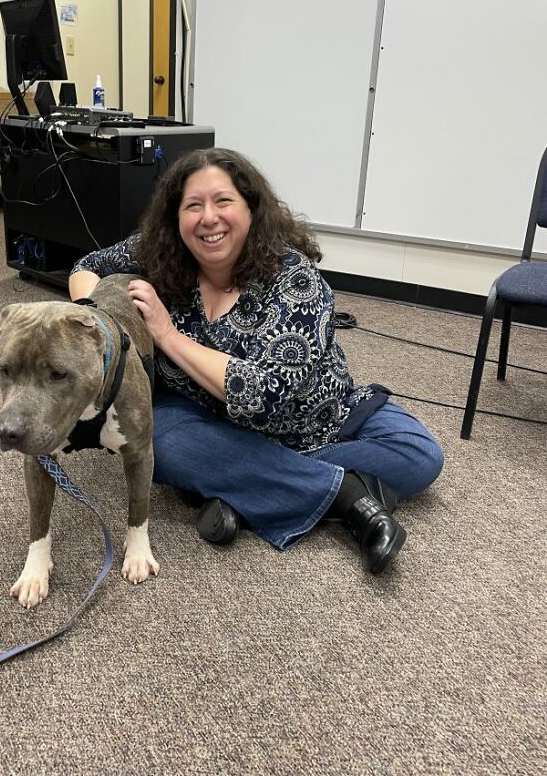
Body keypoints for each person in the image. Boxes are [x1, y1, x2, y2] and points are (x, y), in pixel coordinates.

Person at [68, 148, 443, 573]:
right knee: (160, 440)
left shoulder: (294, 278)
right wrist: (94, 317)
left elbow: (264, 397)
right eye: (193, 206)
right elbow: (86, 266)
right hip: (205, 419)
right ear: (175, 217)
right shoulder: (158, 252)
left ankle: (238, 492)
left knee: (420, 455)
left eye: (223, 201)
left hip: (320, 417)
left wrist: (168, 335)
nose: (209, 218)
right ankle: (347, 496)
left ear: (251, 209)